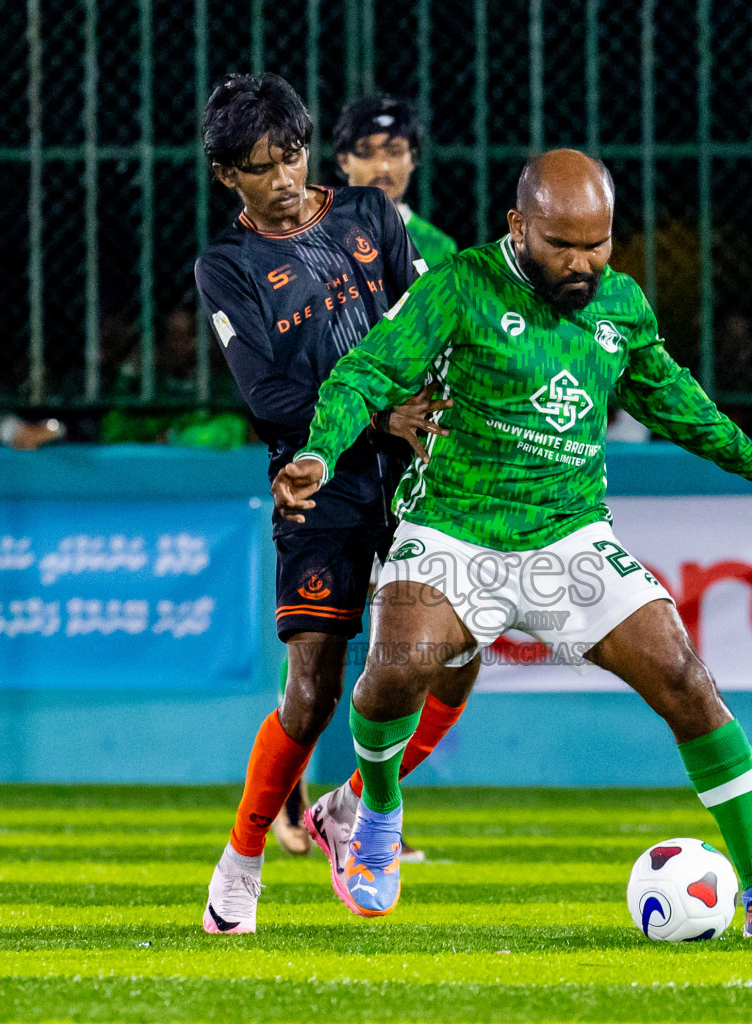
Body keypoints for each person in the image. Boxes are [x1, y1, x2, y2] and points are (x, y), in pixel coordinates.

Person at [273, 149, 752, 939]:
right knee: (391, 678)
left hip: (569, 536)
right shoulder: (462, 286)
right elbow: (361, 376)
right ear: (518, 226)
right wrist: (319, 456)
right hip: (455, 527)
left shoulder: (622, 306)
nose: (583, 264)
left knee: (684, 677)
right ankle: (376, 813)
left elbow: (672, 397)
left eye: (598, 244)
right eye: (562, 245)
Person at [192, 73, 475, 936]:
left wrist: (435, 404)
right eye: (258, 168)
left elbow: (426, 320)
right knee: (312, 688)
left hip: (411, 471)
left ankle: (351, 804)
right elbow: (267, 395)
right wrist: (374, 413)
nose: (281, 181)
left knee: (458, 653)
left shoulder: (371, 220)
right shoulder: (227, 267)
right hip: (317, 481)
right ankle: (240, 865)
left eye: (291, 158)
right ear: (224, 175)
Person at [334, 95, 458, 268]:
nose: (383, 167)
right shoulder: (321, 237)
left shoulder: (438, 248)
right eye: (367, 153)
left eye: (394, 152)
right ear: (344, 161)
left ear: (413, 159)